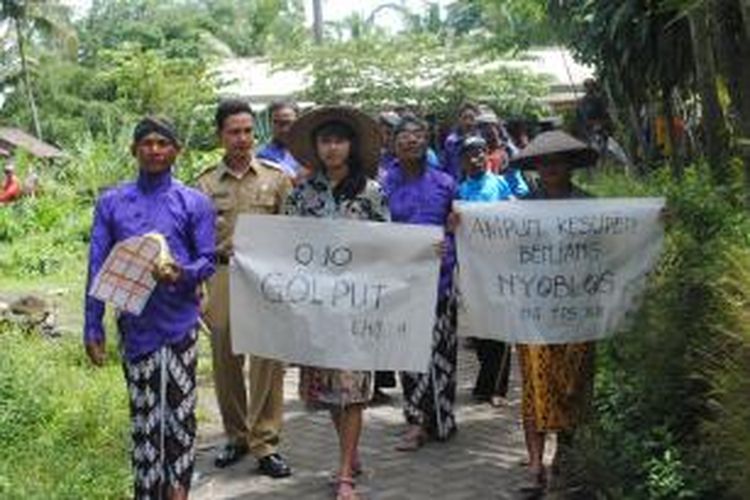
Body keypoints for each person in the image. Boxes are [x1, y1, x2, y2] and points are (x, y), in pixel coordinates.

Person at [84, 116, 216, 500]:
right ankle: (146, 492)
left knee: (178, 416)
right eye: (147, 143)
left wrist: (181, 273)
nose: (155, 150)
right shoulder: (112, 202)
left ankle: (178, 491)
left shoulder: (194, 202)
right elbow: (97, 265)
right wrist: (92, 326)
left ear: (176, 150)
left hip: (179, 324)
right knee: (143, 418)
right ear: (134, 150)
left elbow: (207, 260)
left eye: (163, 143)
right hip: (135, 325)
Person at [283, 106, 389, 500]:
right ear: (315, 147)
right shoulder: (301, 194)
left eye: (338, 140)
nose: (332, 148)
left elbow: (388, 244)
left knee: (355, 388)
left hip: (358, 306)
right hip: (316, 308)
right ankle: (351, 450)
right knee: (328, 390)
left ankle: (344, 473)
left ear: (351, 145)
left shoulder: (372, 192)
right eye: (325, 141)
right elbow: (286, 247)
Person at [196, 99, 293, 478]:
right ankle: (236, 436)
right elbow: (194, 241)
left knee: (268, 362)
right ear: (220, 135)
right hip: (222, 276)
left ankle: (265, 443)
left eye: (248, 131)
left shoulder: (277, 178)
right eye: (234, 132)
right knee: (226, 362)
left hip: (267, 279)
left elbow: (293, 234)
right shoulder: (203, 184)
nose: (242, 139)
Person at [508, 130, 599, 494]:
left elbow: (614, 246)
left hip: (578, 312)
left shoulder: (591, 207)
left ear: (571, 165)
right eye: (544, 162)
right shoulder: (521, 210)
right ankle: (534, 466)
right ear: (535, 167)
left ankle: (565, 456)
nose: (551, 167)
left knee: (573, 384)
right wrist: (462, 227)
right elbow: (497, 248)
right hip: (533, 313)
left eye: (558, 160)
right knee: (535, 386)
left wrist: (652, 223)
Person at [383, 115, 458, 451]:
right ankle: (416, 421)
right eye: (404, 135)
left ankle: (442, 416)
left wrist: (452, 236)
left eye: (418, 134)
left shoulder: (445, 183)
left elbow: (458, 227)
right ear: (393, 143)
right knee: (409, 351)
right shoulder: (383, 185)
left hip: (440, 280)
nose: (411, 140)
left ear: (428, 140)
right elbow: (375, 231)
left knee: (443, 352)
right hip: (400, 282)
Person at [454, 135, 515, 407]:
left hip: (499, 266)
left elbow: (516, 214)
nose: (475, 159)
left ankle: (496, 388)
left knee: (499, 329)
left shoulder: (500, 184)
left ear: (487, 156)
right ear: (462, 161)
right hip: (471, 268)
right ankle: (485, 381)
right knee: (478, 328)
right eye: (469, 155)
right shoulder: (460, 190)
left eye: (479, 153)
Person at [257, 101, 304, 179]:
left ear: (299, 122)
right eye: (277, 123)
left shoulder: (313, 152)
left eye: (288, 123)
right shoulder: (263, 157)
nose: (284, 129)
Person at [440, 102, 480, 179]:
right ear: (459, 119)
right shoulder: (451, 142)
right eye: (465, 118)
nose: (468, 122)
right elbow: (444, 165)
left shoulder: (481, 140)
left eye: (471, 118)